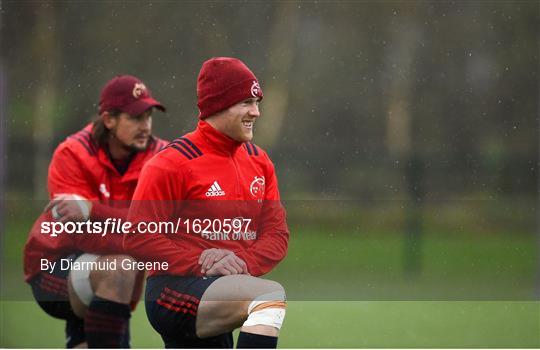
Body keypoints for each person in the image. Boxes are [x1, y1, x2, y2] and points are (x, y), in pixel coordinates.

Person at [124, 57, 289, 348]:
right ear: (218, 105)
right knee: (268, 297)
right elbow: (138, 237)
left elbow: (277, 235)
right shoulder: (172, 163)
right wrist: (200, 262)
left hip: (225, 288)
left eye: (257, 102)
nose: (256, 112)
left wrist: (240, 263)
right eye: (247, 103)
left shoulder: (259, 162)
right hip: (172, 289)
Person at [23, 75, 168, 348]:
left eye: (149, 116)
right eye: (136, 118)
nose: (145, 126)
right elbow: (81, 237)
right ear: (109, 119)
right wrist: (141, 233)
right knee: (120, 268)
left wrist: (92, 210)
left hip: (115, 280)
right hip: (54, 268)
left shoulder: (163, 158)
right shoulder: (72, 154)